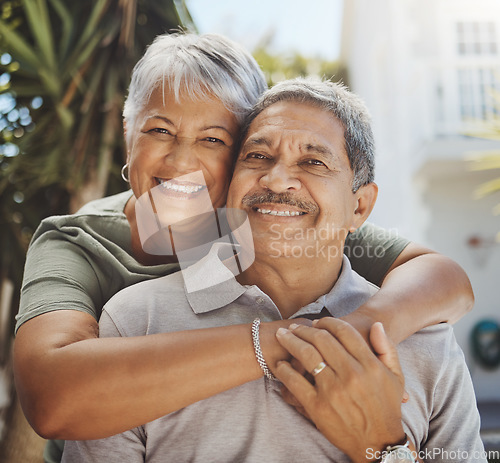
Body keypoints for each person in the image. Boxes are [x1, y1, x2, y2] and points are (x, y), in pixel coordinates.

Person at [13, 33, 473, 462]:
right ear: (128, 133)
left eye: (213, 139)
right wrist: (299, 344)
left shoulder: (281, 220)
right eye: (159, 130)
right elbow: (52, 394)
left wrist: (355, 339)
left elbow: (442, 276)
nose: (181, 162)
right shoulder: (87, 255)